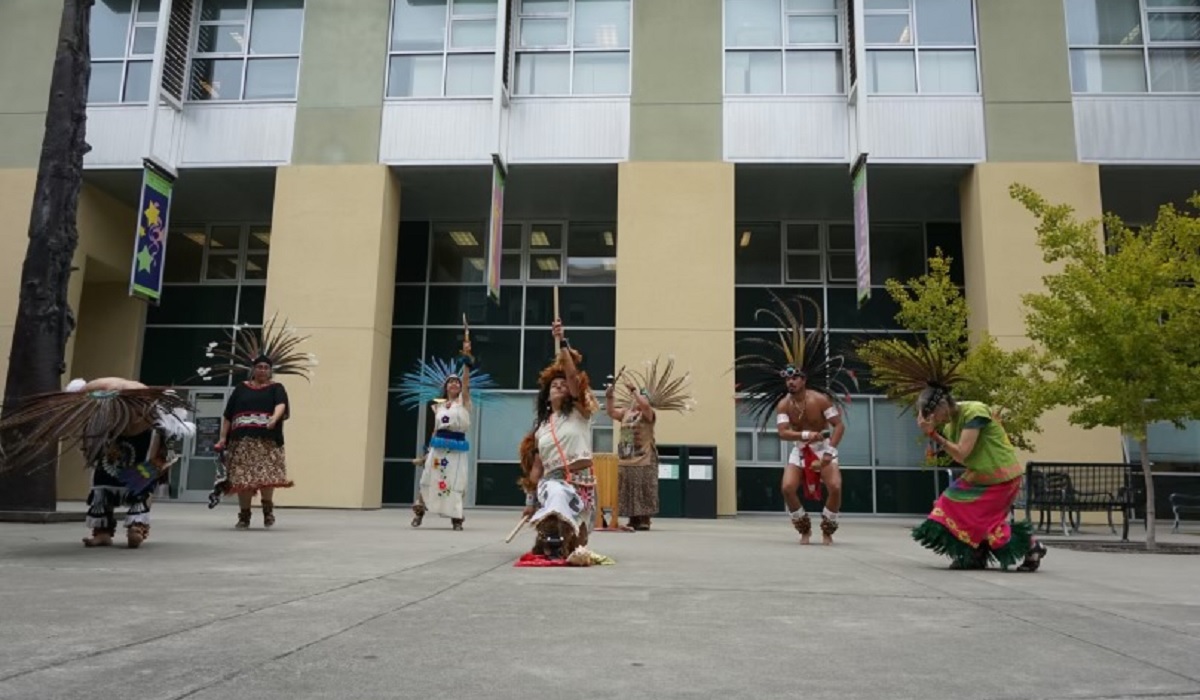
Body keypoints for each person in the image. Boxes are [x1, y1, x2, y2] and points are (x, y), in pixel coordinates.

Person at [863, 340, 1047, 571]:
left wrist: (935, 436)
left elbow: (963, 452)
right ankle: (976, 553)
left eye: (932, 414)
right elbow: (961, 458)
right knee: (950, 503)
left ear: (941, 406)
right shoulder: (950, 426)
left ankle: (1029, 546)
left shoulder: (975, 411)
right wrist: (936, 436)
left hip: (1001, 477)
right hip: (979, 476)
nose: (934, 420)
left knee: (977, 516)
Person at [0, 376, 194, 549]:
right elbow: (87, 425)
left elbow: (160, 435)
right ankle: (102, 533)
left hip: (141, 436)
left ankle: (137, 526)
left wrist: (156, 461)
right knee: (102, 485)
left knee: (139, 484)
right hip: (109, 435)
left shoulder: (144, 404)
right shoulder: (95, 394)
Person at [733, 293, 858, 545]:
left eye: (795, 377)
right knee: (788, 488)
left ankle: (827, 529)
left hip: (823, 448)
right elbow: (782, 432)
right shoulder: (783, 404)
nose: (790, 381)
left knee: (834, 486)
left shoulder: (820, 400)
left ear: (804, 379)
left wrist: (827, 452)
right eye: (787, 378)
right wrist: (804, 436)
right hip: (800, 449)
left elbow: (838, 426)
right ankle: (803, 528)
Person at [198, 313, 315, 530]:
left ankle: (268, 510)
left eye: (266, 368)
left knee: (266, 477)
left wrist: (273, 418)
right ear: (253, 369)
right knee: (243, 479)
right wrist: (223, 438)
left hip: (267, 441)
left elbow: (281, 405)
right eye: (259, 367)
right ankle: (244, 515)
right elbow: (228, 415)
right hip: (241, 442)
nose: (262, 370)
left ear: (270, 371)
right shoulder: (241, 388)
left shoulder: (277, 388)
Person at [519, 319, 600, 560]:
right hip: (553, 481)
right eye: (554, 385)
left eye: (563, 385)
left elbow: (574, 379)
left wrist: (562, 342)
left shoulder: (580, 412)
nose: (560, 386)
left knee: (578, 544)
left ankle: (548, 539)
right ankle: (552, 538)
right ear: (546, 395)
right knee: (556, 496)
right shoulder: (542, 428)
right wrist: (530, 501)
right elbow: (537, 466)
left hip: (584, 483)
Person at [605, 356, 695, 531]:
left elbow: (645, 405)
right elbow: (610, 411)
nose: (637, 400)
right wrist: (610, 396)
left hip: (644, 458)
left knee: (643, 488)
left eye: (641, 398)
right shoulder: (625, 413)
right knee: (629, 489)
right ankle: (633, 518)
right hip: (626, 458)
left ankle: (644, 519)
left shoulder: (648, 414)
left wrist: (634, 390)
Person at [412, 336, 475, 530]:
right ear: (446, 387)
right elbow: (435, 430)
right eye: (451, 382)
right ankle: (419, 512)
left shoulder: (463, 402)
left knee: (455, 481)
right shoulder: (438, 407)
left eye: (457, 382)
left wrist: (466, 356)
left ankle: (456, 518)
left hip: (456, 449)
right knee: (429, 478)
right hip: (438, 447)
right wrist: (427, 451)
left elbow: (466, 383)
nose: (455, 384)